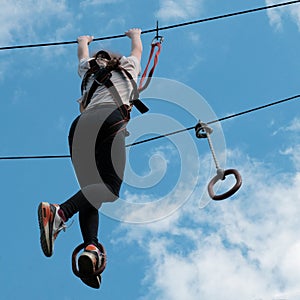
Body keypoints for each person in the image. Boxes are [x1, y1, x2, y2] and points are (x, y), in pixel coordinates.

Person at [38, 28, 143, 289]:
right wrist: (135, 35)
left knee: (92, 192)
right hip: (109, 121)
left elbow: (81, 56)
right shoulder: (128, 67)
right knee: (108, 189)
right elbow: (137, 50)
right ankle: (59, 212)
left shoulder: (89, 72)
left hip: (80, 126)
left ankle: (91, 248)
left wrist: (83, 41)